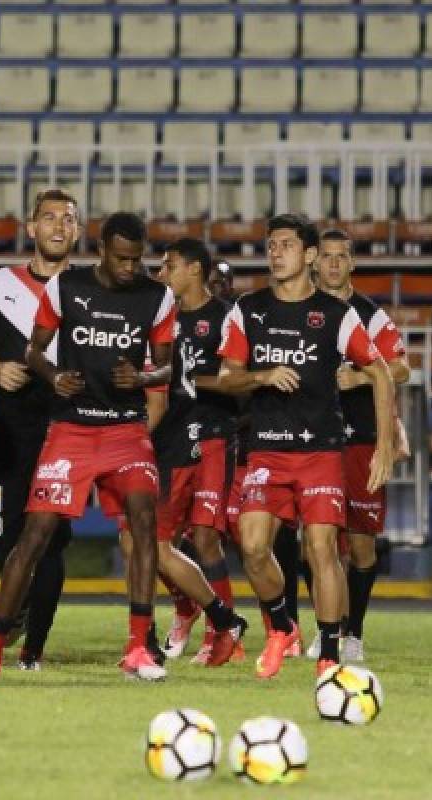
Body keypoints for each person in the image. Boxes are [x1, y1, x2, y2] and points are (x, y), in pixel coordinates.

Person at [0, 212, 177, 683]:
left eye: (136, 259)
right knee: (34, 535)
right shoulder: (65, 289)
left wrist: (143, 377)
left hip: (126, 429)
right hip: (73, 430)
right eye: (121, 258)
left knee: (145, 523)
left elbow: (167, 368)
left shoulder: (158, 297)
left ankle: (138, 647)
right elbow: (34, 351)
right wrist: (53, 377)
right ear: (102, 248)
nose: (129, 268)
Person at [214, 213, 396, 679]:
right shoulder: (248, 310)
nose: (276, 252)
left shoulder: (335, 315)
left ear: (309, 255)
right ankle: (280, 625)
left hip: (320, 451)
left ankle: (331, 655)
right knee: (251, 545)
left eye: (287, 245)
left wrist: (385, 445)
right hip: (267, 450)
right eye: (271, 245)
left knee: (322, 548)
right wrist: (262, 375)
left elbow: (379, 371)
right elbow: (227, 376)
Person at [0, 188, 79, 671]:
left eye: (67, 219)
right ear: (30, 228)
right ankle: (19, 612)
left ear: (77, 230)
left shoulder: (90, 290)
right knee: (7, 538)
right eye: (48, 218)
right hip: (9, 433)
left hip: (67, 431)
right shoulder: (0, 283)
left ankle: (34, 646)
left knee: (51, 539)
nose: (57, 226)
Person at [146, 238, 248, 666]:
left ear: (192, 269)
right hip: (166, 439)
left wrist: (191, 381)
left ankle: (222, 636)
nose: (160, 274)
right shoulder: (158, 316)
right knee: (152, 541)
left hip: (212, 435)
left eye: (167, 265)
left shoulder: (226, 318)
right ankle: (191, 606)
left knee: (205, 536)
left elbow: (236, 380)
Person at [310, 227, 410, 662]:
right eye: (327, 256)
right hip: (314, 439)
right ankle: (326, 628)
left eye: (341, 256)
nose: (333, 264)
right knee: (317, 542)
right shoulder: (302, 310)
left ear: (352, 263)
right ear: (314, 261)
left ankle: (355, 632)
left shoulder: (370, 315)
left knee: (361, 544)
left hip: (362, 440)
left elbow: (401, 368)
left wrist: (361, 375)